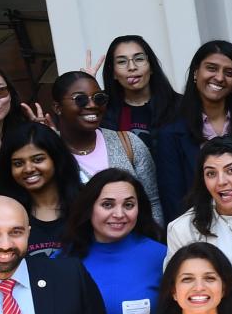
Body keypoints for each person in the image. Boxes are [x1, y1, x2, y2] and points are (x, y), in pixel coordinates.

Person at [63, 170, 166, 314]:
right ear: (89, 207)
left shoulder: (161, 256)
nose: (119, 214)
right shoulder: (65, 259)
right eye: (107, 204)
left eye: (128, 205)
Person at [155, 41, 232, 221]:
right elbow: (173, 199)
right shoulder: (171, 131)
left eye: (229, 73)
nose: (219, 77)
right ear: (196, 72)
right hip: (199, 228)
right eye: (211, 68)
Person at [50, 71, 164, 222]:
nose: (92, 105)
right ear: (57, 107)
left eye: (99, 98)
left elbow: (153, 202)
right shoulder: (49, 151)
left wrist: (153, 241)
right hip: (79, 244)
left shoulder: (128, 142)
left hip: (134, 242)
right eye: (80, 99)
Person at [164, 138, 232, 288]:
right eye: (211, 174)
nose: (221, 181)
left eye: (231, 170)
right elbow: (177, 288)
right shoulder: (183, 229)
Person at [0, 123, 83, 255]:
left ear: (56, 158)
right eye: (18, 163)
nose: (28, 169)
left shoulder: (86, 204)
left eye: (38, 160)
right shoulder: (3, 215)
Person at [98, 34, 182, 137]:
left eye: (139, 59)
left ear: (151, 66)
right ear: (113, 73)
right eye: (121, 62)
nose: (132, 67)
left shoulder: (180, 106)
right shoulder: (103, 109)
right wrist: (87, 89)